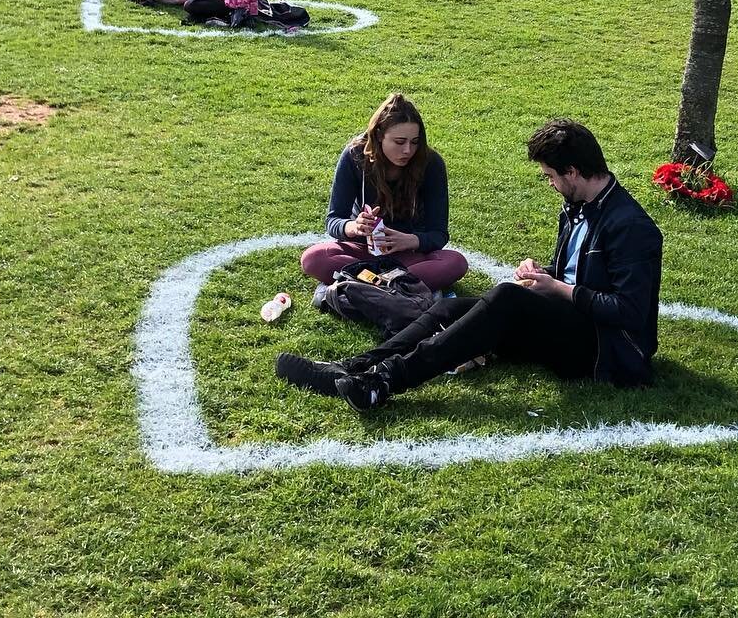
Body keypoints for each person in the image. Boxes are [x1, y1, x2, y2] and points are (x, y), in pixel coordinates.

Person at [276, 117, 663, 412]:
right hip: (571, 322)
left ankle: (383, 382)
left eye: (549, 176)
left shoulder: (630, 227)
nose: (549, 183)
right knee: (450, 306)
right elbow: (582, 274)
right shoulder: (579, 204)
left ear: (573, 172)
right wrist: (546, 274)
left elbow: (628, 312)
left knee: (507, 298)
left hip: (607, 350)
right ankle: (353, 367)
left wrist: (558, 289)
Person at [299, 93, 470, 291]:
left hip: (408, 256)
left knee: (455, 262)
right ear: (379, 135)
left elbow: (438, 234)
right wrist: (354, 227)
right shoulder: (355, 156)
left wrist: (411, 240)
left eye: (414, 142)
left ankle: (364, 284)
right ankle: (398, 287)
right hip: (362, 249)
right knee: (313, 258)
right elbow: (333, 220)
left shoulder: (430, 164)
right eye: (399, 142)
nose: (408, 150)